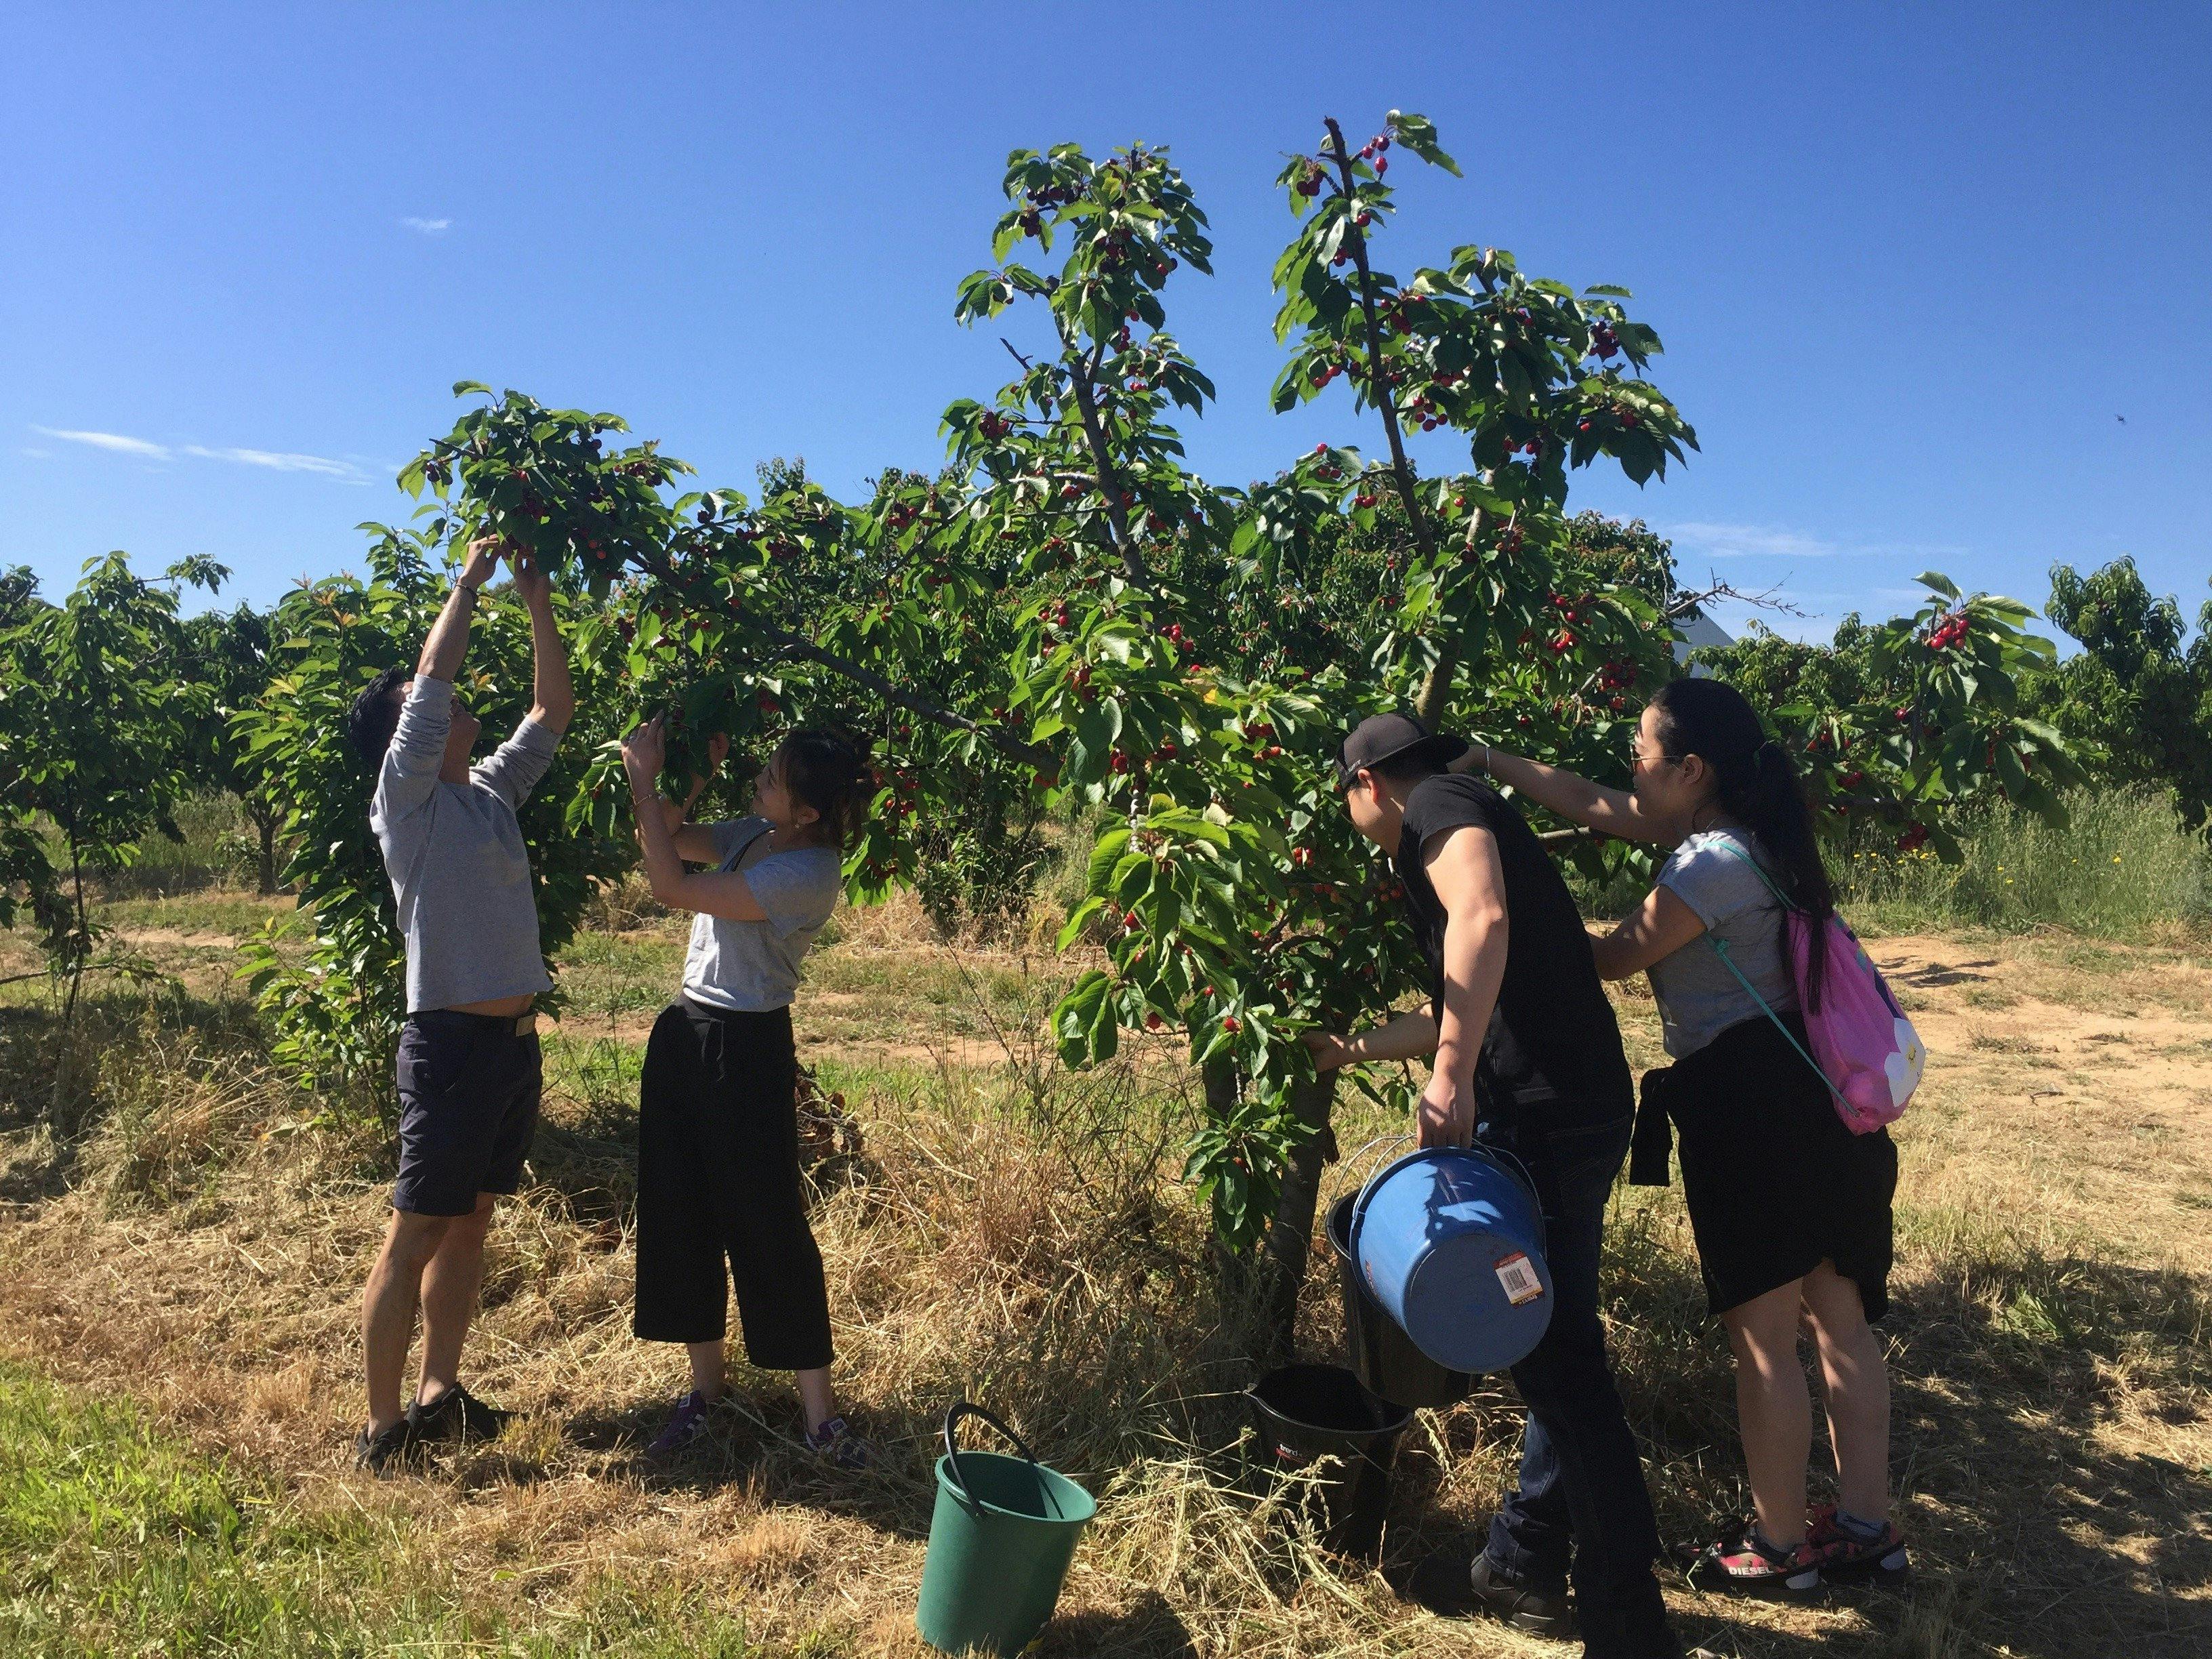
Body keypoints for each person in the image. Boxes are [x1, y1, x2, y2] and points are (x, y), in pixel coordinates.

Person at [1471, 676, 1904, 1593]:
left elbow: (1613, 957)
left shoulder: (1709, 867)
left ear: (1692, 769)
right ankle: (1867, 1529)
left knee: (1763, 1335)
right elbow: (1604, 807)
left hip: (1751, 1108)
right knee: (1839, 1322)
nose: (1630, 770)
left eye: (1642, 754)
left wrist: (1497, 902)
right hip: (1826, 1102)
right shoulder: (1760, 842)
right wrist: (1496, 765)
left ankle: (1778, 1547)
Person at [1307, 712, 1679, 1659]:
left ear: (1368, 784)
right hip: (1575, 1105)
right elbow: (1459, 994)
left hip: (1548, 1116)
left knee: (1559, 1370)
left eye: (1343, 795)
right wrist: (1353, 1049)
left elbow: (1484, 919)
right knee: (1555, 1343)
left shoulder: (1442, 802)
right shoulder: (1452, 814)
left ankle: (1627, 1621)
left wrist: (1451, 1076)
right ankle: (1520, 1568)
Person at [346, 538, 573, 1473]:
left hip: (510, 1045)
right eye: (421, 706)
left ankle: (441, 1391)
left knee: (473, 1222)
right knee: (417, 1230)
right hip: (447, 1046)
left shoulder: (484, 793)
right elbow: (434, 678)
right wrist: (467, 585)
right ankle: (383, 1427)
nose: (442, 700)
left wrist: (536, 602)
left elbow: (551, 713)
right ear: (408, 733)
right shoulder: (408, 800)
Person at [619, 715, 872, 1465]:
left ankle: (820, 1416)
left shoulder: (808, 873)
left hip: (748, 1045)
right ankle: (706, 1389)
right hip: (686, 1033)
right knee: (681, 1210)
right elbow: (662, 838)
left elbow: (667, 886)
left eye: (774, 777)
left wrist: (641, 777)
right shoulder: (753, 835)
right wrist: (687, 775)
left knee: (768, 1224)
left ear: (808, 812)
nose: (759, 779)